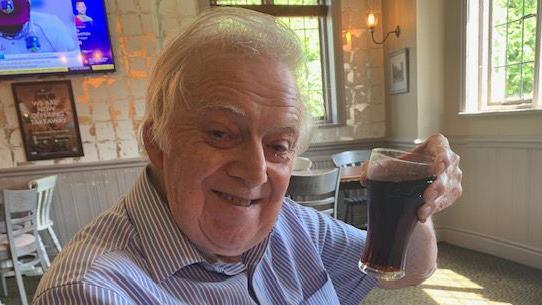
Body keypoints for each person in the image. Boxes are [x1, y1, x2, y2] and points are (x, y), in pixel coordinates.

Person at [32, 7, 462, 305]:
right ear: (157, 143)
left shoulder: (293, 225)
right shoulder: (90, 291)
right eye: (221, 133)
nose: (256, 170)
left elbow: (408, 272)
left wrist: (418, 205)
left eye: (278, 146)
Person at [0, 0, 76, 53]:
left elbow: (73, 62)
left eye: (16, 23)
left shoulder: (52, 25)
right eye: (5, 25)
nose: (11, 29)